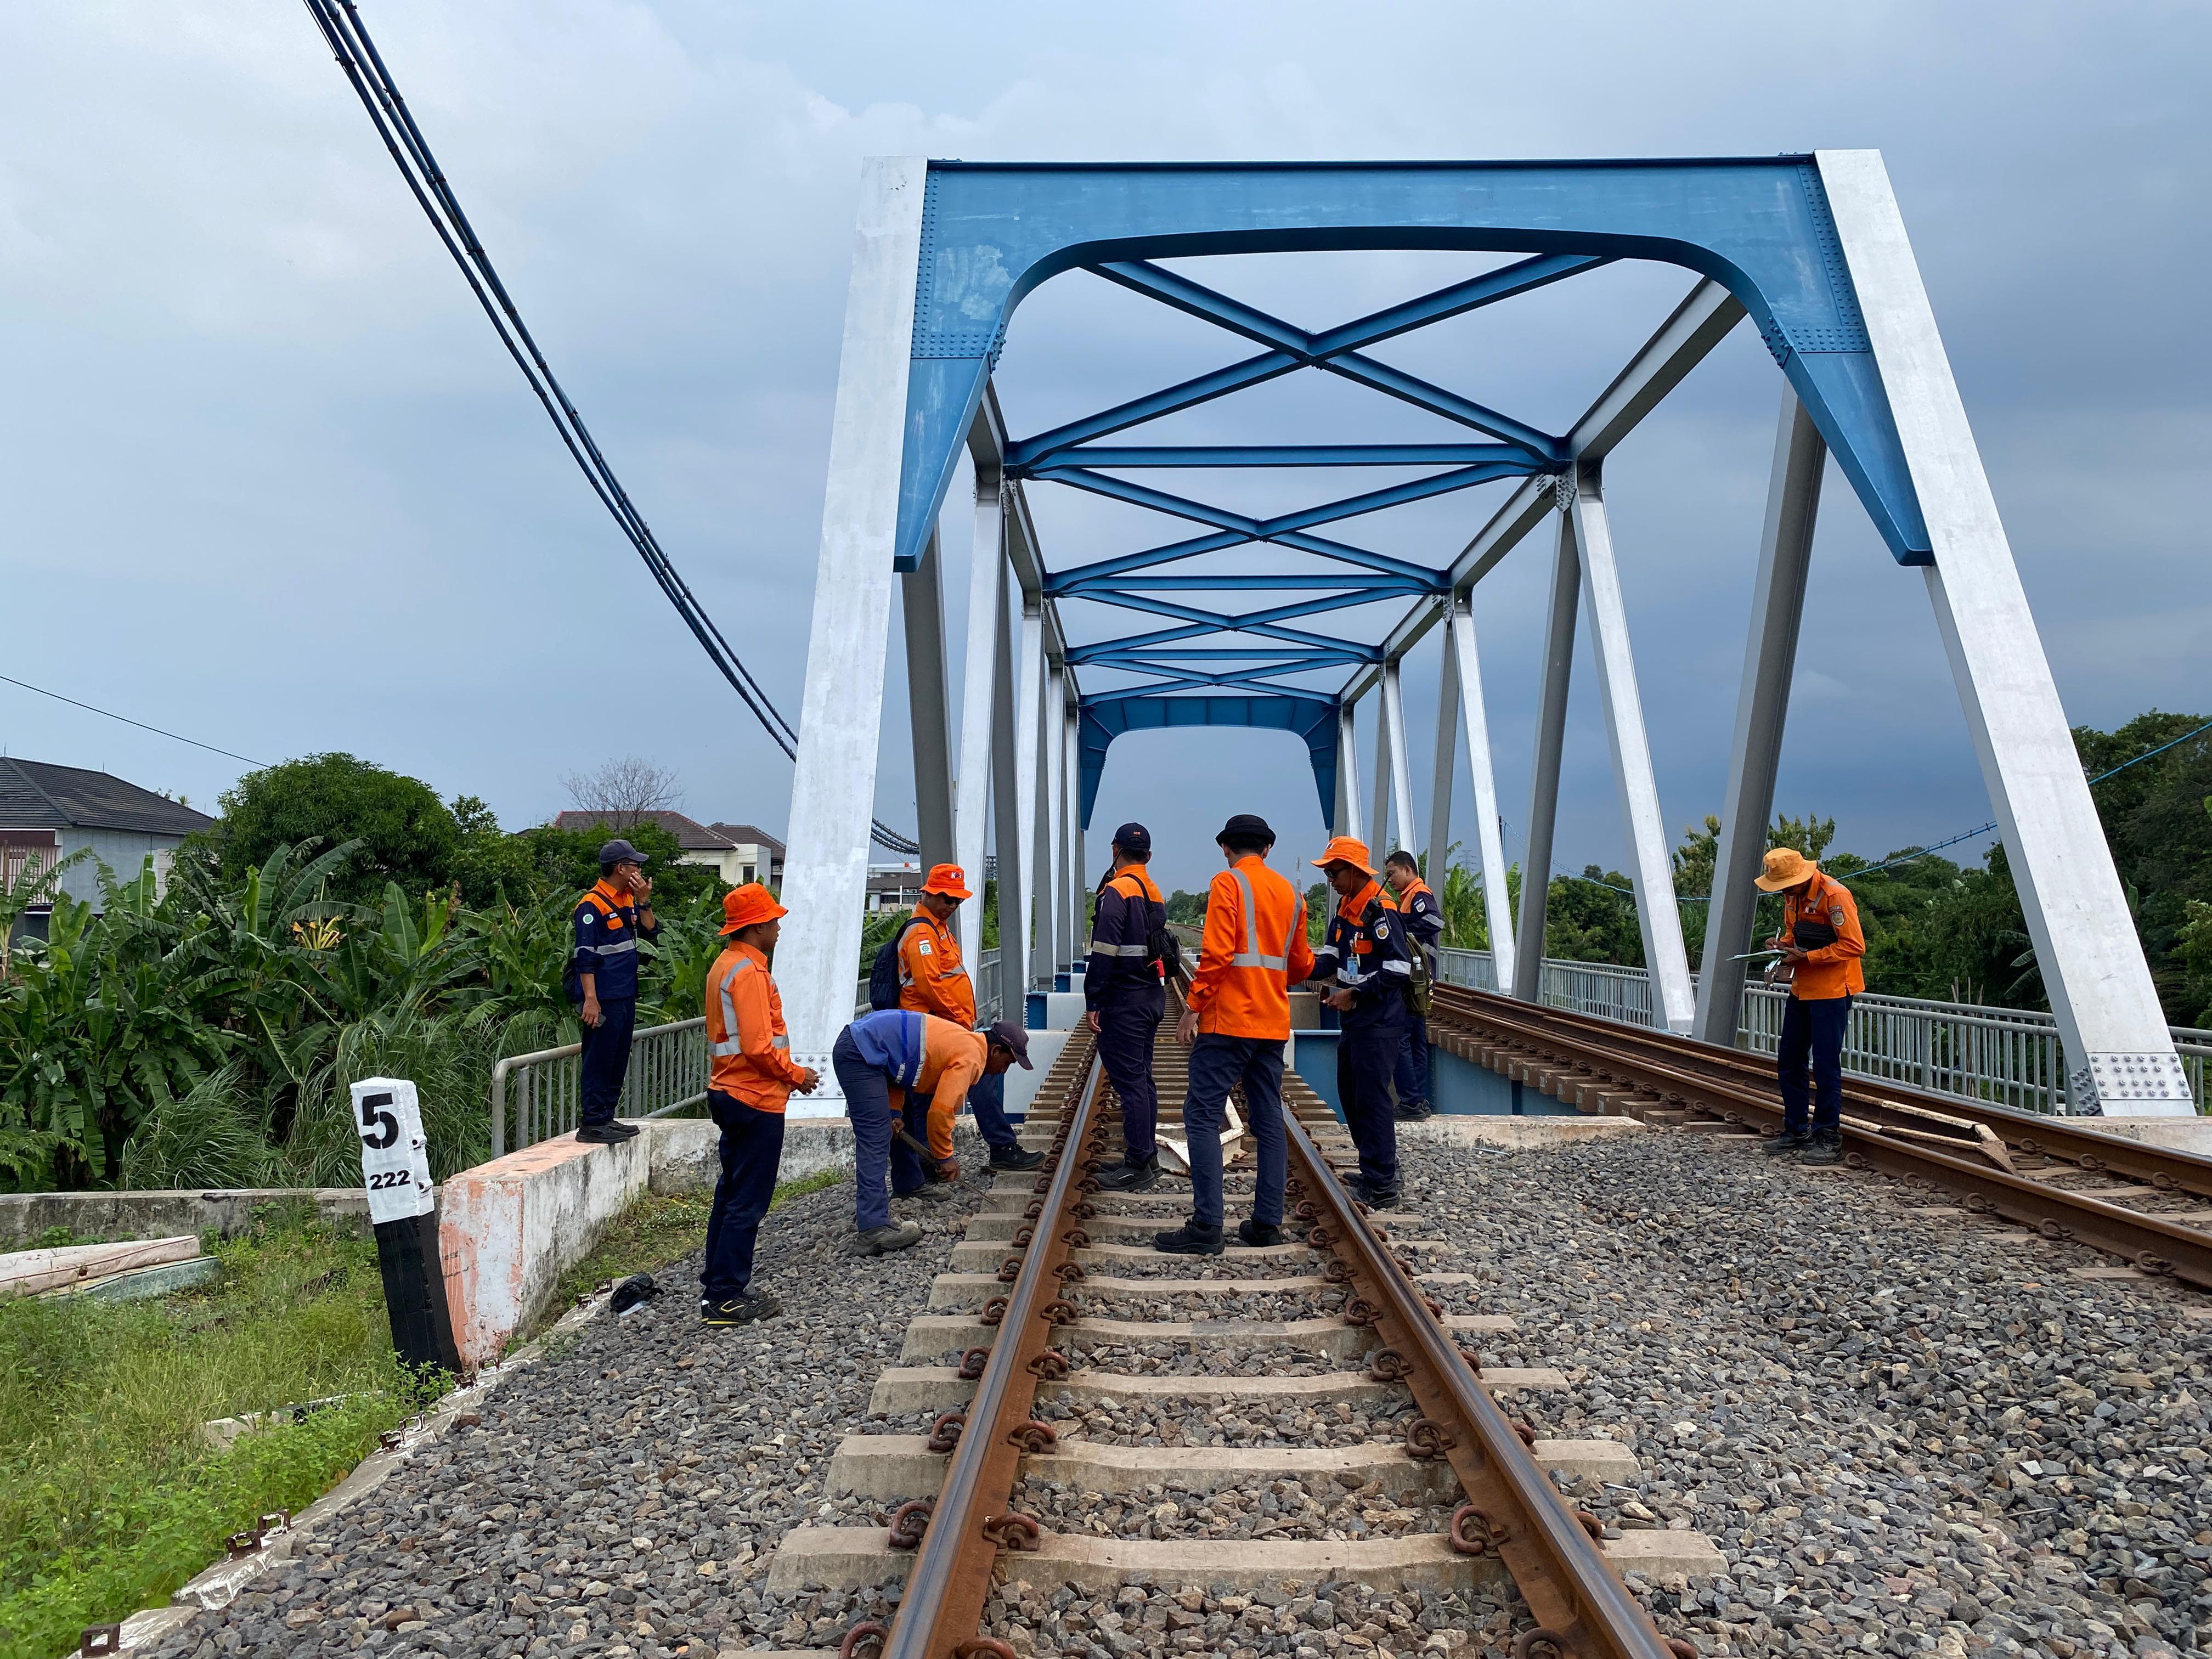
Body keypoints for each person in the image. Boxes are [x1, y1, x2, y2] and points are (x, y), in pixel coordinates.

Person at [1157, 814, 1313, 1256]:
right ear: (1268, 850)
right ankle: (1266, 1224)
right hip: (1271, 1023)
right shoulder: (1293, 895)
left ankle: (1207, 1226)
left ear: (1226, 848)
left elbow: (1217, 955)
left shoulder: (1228, 884)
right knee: (1268, 1118)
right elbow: (1301, 965)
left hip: (1228, 1023)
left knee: (1202, 1115)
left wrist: (1192, 1008)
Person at [698, 884, 820, 1324]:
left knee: (731, 1193)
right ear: (756, 927)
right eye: (773, 922)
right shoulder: (749, 972)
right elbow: (757, 1047)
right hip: (754, 1097)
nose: (778, 929)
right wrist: (797, 1076)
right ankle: (726, 1297)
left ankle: (717, 1285)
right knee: (747, 1200)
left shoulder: (725, 964)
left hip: (730, 1091)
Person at [833, 1009, 1032, 1255]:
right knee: (875, 1138)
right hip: (860, 1052)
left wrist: (894, 1112)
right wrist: (945, 1156)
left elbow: (898, 1069)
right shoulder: (971, 1057)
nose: (1004, 1070)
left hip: (872, 1050)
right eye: (1009, 1062)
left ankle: (909, 1184)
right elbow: (940, 1112)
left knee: (900, 1122)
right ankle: (872, 1229)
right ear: (996, 1051)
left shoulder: (966, 1043)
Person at [897, 864, 1040, 1175]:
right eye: (946, 899)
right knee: (969, 1084)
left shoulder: (938, 928)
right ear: (928, 893)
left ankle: (932, 1166)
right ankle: (993, 1150)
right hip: (932, 1028)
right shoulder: (922, 933)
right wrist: (959, 1018)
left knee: (929, 1097)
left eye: (957, 901)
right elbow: (929, 984)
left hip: (941, 1027)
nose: (952, 905)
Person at [1310, 837, 1414, 1208]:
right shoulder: (1346, 907)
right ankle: (1375, 1167)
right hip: (1356, 1020)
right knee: (1352, 1095)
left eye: (1334, 873)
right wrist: (1294, 966)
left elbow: (1399, 968)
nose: (1330, 880)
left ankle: (1382, 1183)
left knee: (1372, 1099)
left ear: (1354, 872)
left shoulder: (1382, 911)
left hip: (1378, 1020)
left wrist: (1354, 994)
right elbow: (1330, 958)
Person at [1754, 847, 1865, 1164]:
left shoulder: (1834, 896)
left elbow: (1854, 945)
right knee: (1790, 1059)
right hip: (1802, 989)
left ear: (1800, 877)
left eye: (1785, 886)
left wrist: (1809, 957)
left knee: (1826, 1065)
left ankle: (1828, 1135)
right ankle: (1796, 1129)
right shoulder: (1793, 897)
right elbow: (1795, 933)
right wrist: (1782, 945)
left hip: (1833, 991)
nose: (1783, 893)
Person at [1088, 823, 1170, 1193]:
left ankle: (1138, 1164)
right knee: (1143, 1078)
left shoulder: (1117, 890)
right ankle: (1146, 1155)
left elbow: (1104, 950)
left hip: (1124, 1000)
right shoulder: (1154, 891)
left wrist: (1094, 999)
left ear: (1114, 849)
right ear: (1148, 856)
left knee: (1131, 1082)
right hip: (1150, 997)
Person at [566, 838, 658, 1144]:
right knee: (600, 1058)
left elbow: (651, 932)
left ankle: (606, 1116)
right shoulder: (591, 905)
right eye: (635, 865)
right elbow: (585, 956)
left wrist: (644, 900)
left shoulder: (628, 899)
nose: (639, 871)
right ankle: (593, 1122)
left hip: (625, 993)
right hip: (603, 997)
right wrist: (591, 1000)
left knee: (618, 1058)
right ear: (620, 868)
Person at [1382, 850, 1442, 1122]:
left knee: (1402, 1038)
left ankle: (1410, 1101)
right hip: (1419, 977)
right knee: (1416, 1039)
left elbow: (1434, 921)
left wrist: (1400, 928)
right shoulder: (1410, 896)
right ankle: (1417, 1100)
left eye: (1392, 874)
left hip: (1413, 978)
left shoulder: (1419, 894)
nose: (1390, 880)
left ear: (1407, 870)